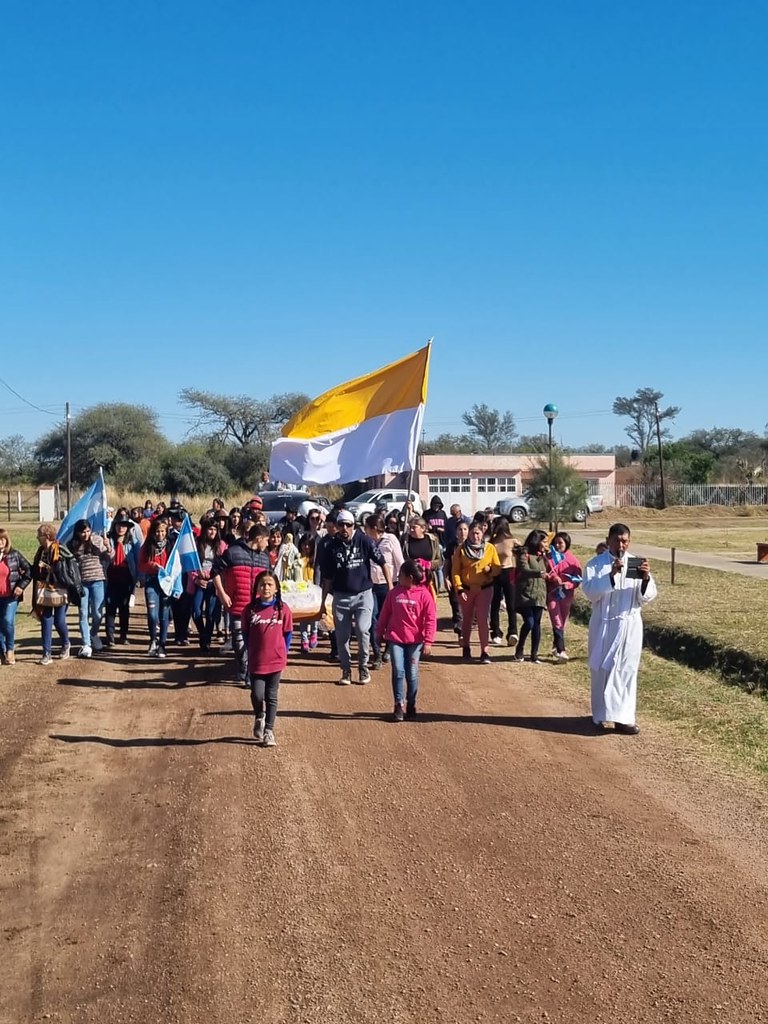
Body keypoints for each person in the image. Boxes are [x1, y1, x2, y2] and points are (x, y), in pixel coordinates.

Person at [582, 523, 657, 734]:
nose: (621, 544)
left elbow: (645, 597)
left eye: (624, 540)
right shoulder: (596, 565)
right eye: (616, 540)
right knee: (601, 670)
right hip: (603, 626)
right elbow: (590, 592)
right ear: (609, 541)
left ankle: (624, 718)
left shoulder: (636, 564)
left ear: (629, 542)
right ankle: (600, 715)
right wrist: (611, 575)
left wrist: (645, 579)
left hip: (628, 626)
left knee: (625, 670)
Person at [319, 508, 391, 686]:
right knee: (342, 636)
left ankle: (363, 666)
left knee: (362, 629)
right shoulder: (331, 547)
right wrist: (322, 603)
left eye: (348, 525)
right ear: (336, 526)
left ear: (354, 526)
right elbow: (327, 578)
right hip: (341, 597)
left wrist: (390, 587)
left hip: (363, 594)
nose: (345, 528)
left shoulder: (364, 540)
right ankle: (346, 670)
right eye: (341, 525)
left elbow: (382, 562)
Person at [376, 560, 436, 721]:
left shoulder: (424, 595)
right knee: (398, 670)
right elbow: (384, 614)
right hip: (395, 639)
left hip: (415, 641)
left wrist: (428, 641)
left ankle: (411, 703)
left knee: (412, 672)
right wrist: (379, 632)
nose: (398, 577)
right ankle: (398, 704)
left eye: (400, 575)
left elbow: (431, 619)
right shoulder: (394, 593)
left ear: (410, 578)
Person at [212, 523, 271, 684]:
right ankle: (243, 665)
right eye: (266, 540)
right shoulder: (233, 553)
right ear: (258, 539)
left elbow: (270, 581)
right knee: (238, 641)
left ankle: (250, 672)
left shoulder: (265, 558)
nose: (267, 544)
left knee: (256, 642)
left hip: (259, 608)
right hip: (238, 606)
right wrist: (222, 594)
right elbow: (214, 572)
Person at [242, 572, 293, 748]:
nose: (266, 588)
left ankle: (269, 731)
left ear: (277, 588)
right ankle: (259, 716)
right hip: (257, 660)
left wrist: (284, 652)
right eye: (263, 584)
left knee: (271, 696)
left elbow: (287, 633)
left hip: (276, 660)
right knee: (257, 694)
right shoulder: (250, 610)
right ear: (257, 587)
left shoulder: (283, 609)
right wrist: (250, 651)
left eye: (270, 584)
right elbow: (245, 633)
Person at [31, 523, 82, 665]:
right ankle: (46, 653)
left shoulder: (61, 550)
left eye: (39, 536)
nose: (37, 538)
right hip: (45, 590)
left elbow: (70, 570)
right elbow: (35, 569)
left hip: (62, 589)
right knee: (46, 619)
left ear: (47, 536)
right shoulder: (40, 552)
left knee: (59, 620)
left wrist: (56, 570)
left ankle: (66, 643)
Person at [451, 521, 501, 663]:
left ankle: (484, 651)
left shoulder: (490, 548)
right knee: (467, 619)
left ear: (482, 533)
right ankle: (466, 646)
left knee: (482, 619)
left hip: (485, 588)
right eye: (472, 533)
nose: (475, 536)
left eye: (478, 533)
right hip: (466, 589)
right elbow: (455, 571)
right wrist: (459, 588)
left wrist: (490, 570)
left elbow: (498, 569)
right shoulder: (461, 549)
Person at [364, 513, 404, 668]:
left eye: (367, 527)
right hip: (370, 586)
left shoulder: (391, 539)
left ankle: (388, 647)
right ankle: (377, 653)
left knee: (387, 619)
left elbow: (399, 562)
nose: (364, 530)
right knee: (372, 619)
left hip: (389, 585)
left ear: (374, 528)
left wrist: (399, 585)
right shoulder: (366, 541)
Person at [70, 519, 111, 658]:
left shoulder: (98, 540)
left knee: (98, 613)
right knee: (83, 613)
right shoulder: (74, 545)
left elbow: (109, 556)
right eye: (83, 532)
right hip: (82, 583)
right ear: (78, 532)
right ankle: (86, 643)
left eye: (88, 531)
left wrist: (108, 546)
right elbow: (72, 565)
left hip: (98, 580)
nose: (85, 534)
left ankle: (93, 633)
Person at [188, 517, 227, 652]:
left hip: (213, 583)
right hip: (199, 582)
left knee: (210, 613)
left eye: (215, 529)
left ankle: (207, 640)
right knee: (196, 611)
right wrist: (196, 578)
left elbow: (223, 565)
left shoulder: (221, 545)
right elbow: (190, 564)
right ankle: (203, 633)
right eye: (210, 529)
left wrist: (216, 578)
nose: (212, 532)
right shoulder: (197, 544)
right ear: (205, 530)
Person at [139, 517, 173, 658]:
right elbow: (140, 564)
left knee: (164, 614)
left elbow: (176, 564)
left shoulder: (171, 545)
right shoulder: (147, 546)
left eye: (163, 531)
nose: (160, 534)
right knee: (153, 614)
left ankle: (162, 645)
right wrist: (151, 566)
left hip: (165, 583)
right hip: (152, 582)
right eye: (157, 531)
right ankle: (153, 639)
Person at [545, 532, 582, 661]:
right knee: (556, 620)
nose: (558, 545)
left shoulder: (573, 560)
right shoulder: (548, 558)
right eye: (555, 542)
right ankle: (562, 650)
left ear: (567, 544)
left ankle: (556, 645)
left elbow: (578, 578)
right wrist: (552, 577)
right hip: (552, 594)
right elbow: (544, 573)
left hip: (566, 595)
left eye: (560, 543)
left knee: (563, 621)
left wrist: (570, 584)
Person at [514, 529, 548, 664]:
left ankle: (534, 654)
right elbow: (523, 569)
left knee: (537, 625)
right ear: (537, 541)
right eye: (544, 541)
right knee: (529, 622)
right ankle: (520, 648)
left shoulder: (544, 556)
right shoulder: (524, 554)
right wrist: (539, 573)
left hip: (539, 595)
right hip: (525, 594)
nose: (546, 544)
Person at [105, 515, 140, 645]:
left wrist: (140, 577)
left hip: (126, 578)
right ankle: (110, 636)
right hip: (111, 578)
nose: (121, 528)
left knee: (124, 608)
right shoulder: (108, 540)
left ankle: (124, 635)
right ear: (114, 526)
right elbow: (104, 558)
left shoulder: (132, 542)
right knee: (110, 608)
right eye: (119, 525)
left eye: (124, 525)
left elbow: (138, 559)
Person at [0, 528, 32, 665]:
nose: (0, 542)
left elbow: (29, 570)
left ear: (7, 540)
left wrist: (21, 586)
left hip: (11, 596)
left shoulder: (14, 555)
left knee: (7, 621)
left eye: (2, 539)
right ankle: (1, 652)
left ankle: (10, 650)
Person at [489, 517, 519, 647]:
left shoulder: (513, 541)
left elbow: (521, 557)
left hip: (509, 572)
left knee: (511, 604)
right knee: (495, 603)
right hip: (495, 573)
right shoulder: (492, 542)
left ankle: (512, 632)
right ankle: (495, 632)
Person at [401, 516, 442, 601]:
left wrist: (429, 564)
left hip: (429, 580)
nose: (411, 530)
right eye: (410, 527)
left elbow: (440, 561)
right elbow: (401, 559)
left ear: (423, 528)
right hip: (411, 581)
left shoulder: (433, 540)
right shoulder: (405, 540)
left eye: (414, 527)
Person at [444, 520, 469, 635]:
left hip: (469, 579)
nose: (462, 532)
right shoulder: (451, 545)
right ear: (456, 532)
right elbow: (447, 563)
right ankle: (459, 626)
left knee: (466, 604)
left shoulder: (472, 545)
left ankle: (463, 627)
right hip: (454, 578)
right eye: (460, 529)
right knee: (455, 602)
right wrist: (445, 578)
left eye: (465, 529)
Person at [297, 534, 319, 653]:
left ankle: (314, 633)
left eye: (308, 545)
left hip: (313, 590)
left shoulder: (315, 560)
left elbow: (318, 575)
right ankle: (304, 639)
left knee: (314, 615)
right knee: (303, 616)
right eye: (304, 544)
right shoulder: (297, 558)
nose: (306, 547)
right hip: (301, 591)